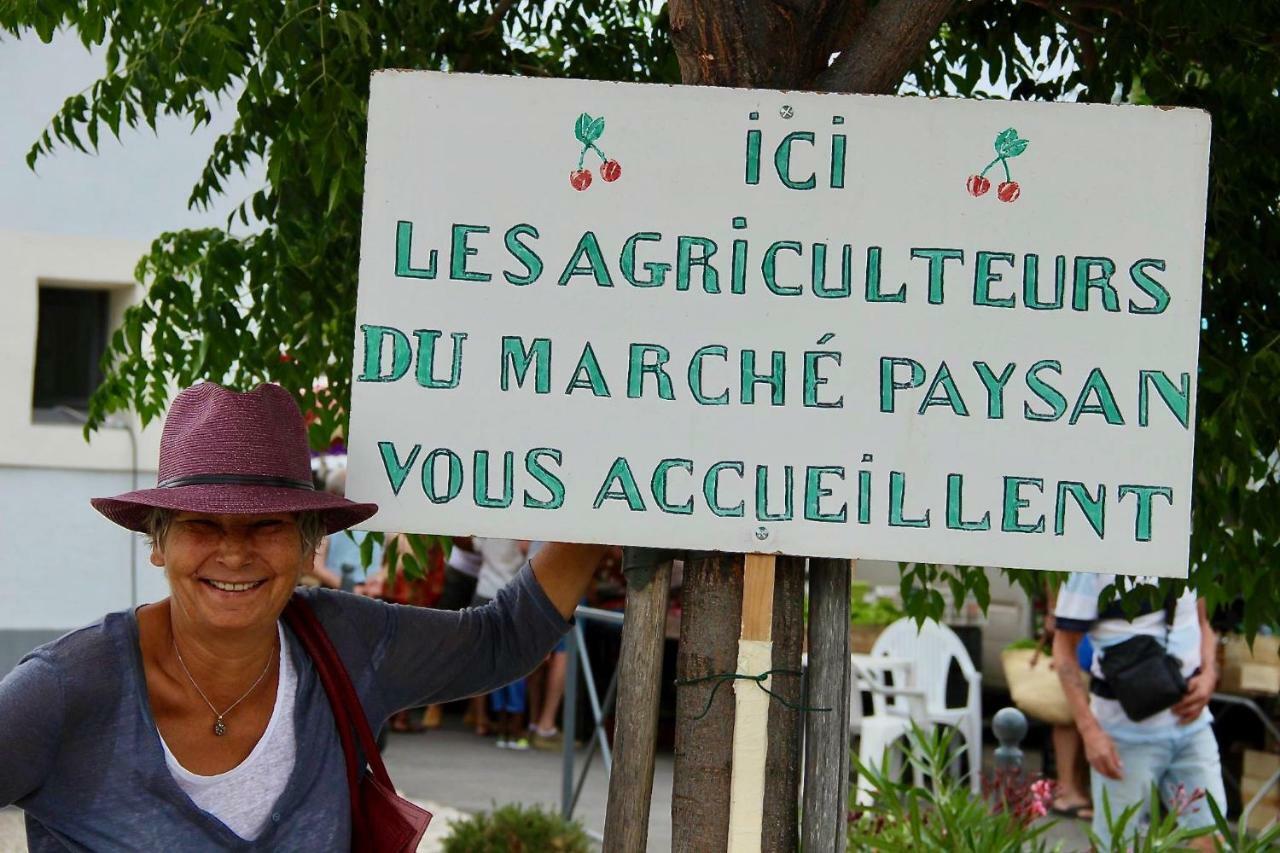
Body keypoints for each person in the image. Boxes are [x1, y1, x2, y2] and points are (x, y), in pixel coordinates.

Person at [0, 382, 606, 849]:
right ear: (157, 542)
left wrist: (617, 492)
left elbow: (504, 637)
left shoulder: (346, 642)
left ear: (307, 544)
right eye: (200, 524)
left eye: (268, 524)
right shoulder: (66, 691)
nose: (234, 552)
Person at [1053, 572, 1224, 850]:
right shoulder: (1092, 565)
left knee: (1211, 839)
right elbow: (1063, 649)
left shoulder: (1191, 544)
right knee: (1116, 844)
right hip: (1123, 735)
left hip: (1191, 727)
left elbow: (1203, 623)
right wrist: (1090, 732)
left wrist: (1208, 674)